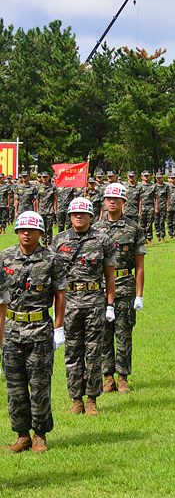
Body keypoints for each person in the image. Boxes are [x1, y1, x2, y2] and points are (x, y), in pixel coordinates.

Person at [1, 211, 67, 452]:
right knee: (15, 386)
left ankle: (40, 435)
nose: (26, 233)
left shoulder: (51, 260)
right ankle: (22, 435)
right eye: (22, 229)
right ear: (17, 231)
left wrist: (58, 328)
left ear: (40, 232)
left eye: (31, 229)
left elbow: (61, 296)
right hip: (11, 330)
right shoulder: (5, 258)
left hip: (39, 329)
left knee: (39, 385)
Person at [51, 197, 116, 416]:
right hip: (68, 303)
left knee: (94, 352)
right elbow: (52, 277)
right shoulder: (58, 240)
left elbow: (109, 275)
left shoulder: (102, 239)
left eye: (83, 213)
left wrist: (109, 305)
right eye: (75, 213)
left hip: (94, 302)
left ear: (90, 215)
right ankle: (76, 399)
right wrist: (54, 308)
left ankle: (92, 400)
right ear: (69, 216)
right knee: (72, 352)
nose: (79, 216)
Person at [96, 182, 146, 393]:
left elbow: (140, 265)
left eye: (116, 199)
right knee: (104, 333)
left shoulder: (134, 228)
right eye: (108, 199)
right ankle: (107, 376)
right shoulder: (95, 229)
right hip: (100, 287)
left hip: (125, 284)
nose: (111, 202)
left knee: (124, 332)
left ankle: (123, 376)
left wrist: (139, 295)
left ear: (124, 202)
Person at [36, 172, 57, 246]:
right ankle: (44, 243)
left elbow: (55, 199)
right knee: (42, 227)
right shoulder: (38, 187)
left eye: (46, 177)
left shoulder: (53, 187)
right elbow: (37, 200)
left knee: (49, 228)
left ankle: (50, 243)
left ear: (49, 177)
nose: (45, 178)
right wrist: (37, 210)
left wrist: (55, 209)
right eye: (43, 177)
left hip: (49, 210)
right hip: (41, 210)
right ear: (41, 178)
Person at [154, 171, 169, 242]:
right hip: (155, 207)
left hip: (163, 206)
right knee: (156, 222)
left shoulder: (166, 186)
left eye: (160, 178)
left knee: (162, 222)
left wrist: (167, 207)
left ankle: (162, 236)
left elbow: (168, 197)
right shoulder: (154, 186)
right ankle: (158, 236)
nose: (159, 179)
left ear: (162, 178)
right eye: (157, 178)